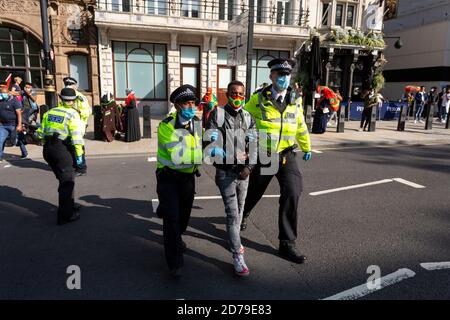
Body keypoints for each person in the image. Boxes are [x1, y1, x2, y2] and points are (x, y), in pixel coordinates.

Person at [242, 58, 312, 264]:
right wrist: (245, 140)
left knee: (293, 191)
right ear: (271, 76)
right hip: (266, 153)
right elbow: (245, 118)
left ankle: (287, 243)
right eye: (280, 75)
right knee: (255, 190)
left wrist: (306, 146)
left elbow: (300, 125)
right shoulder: (259, 98)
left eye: (287, 75)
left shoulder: (294, 99)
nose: (283, 79)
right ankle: (242, 215)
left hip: (287, 154)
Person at [205, 80, 257, 277]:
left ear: (245, 96)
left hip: (243, 173)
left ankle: (233, 238)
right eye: (233, 94)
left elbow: (254, 144)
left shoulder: (248, 117)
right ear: (227, 94)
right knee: (233, 214)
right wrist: (230, 156)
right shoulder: (216, 115)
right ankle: (237, 255)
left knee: (240, 211)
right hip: (225, 173)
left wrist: (249, 167)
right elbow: (209, 147)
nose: (237, 98)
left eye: (241, 95)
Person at [156, 84, 203, 278]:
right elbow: (178, 155)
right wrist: (208, 152)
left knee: (183, 217)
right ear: (177, 106)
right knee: (172, 221)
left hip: (188, 179)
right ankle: (174, 262)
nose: (191, 106)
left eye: (194, 102)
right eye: (187, 103)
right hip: (169, 178)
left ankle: (177, 237)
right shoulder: (166, 126)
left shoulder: (197, 123)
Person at [36, 88, 85, 225]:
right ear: (74, 100)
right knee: (67, 182)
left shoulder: (50, 112)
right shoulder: (72, 114)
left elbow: (40, 132)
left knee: (64, 179)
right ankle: (65, 216)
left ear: (60, 98)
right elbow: (76, 137)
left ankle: (69, 205)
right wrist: (80, 157)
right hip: (61, 149)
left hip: (48, 150)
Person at [63, 77, 91, 176]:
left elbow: (87, 112)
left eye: (70, 85)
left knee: (78, 147)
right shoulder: (64, 94)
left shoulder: (80, 97)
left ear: (75, 85)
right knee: (70, 147)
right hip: (66, 125)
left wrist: (77, 113)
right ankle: (74, 165)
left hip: (77, 125)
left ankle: (81, 167)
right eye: (67, 85)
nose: (68, 87)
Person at [0, 81, 27, 161]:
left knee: (17, 140)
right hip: (3, 125)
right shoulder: (0, 101)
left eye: (3, 93)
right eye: (1, 93)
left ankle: (24, 153)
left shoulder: (14, 101)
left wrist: (19, 125)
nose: (2, 95)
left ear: (8, 93)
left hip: (14, 125)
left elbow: (19, 114)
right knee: (1, 140)